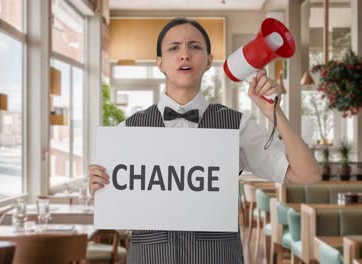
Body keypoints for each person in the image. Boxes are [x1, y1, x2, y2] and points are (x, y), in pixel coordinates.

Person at [88, 17, 320, 264]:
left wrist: (274, 112)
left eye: (195, 47)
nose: (184, 55)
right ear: (160, 63)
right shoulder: (129, 130)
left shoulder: (236, 126)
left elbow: (307, 175)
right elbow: (115, 207)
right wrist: (98, 187)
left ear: (209, 61)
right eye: (174, 47)